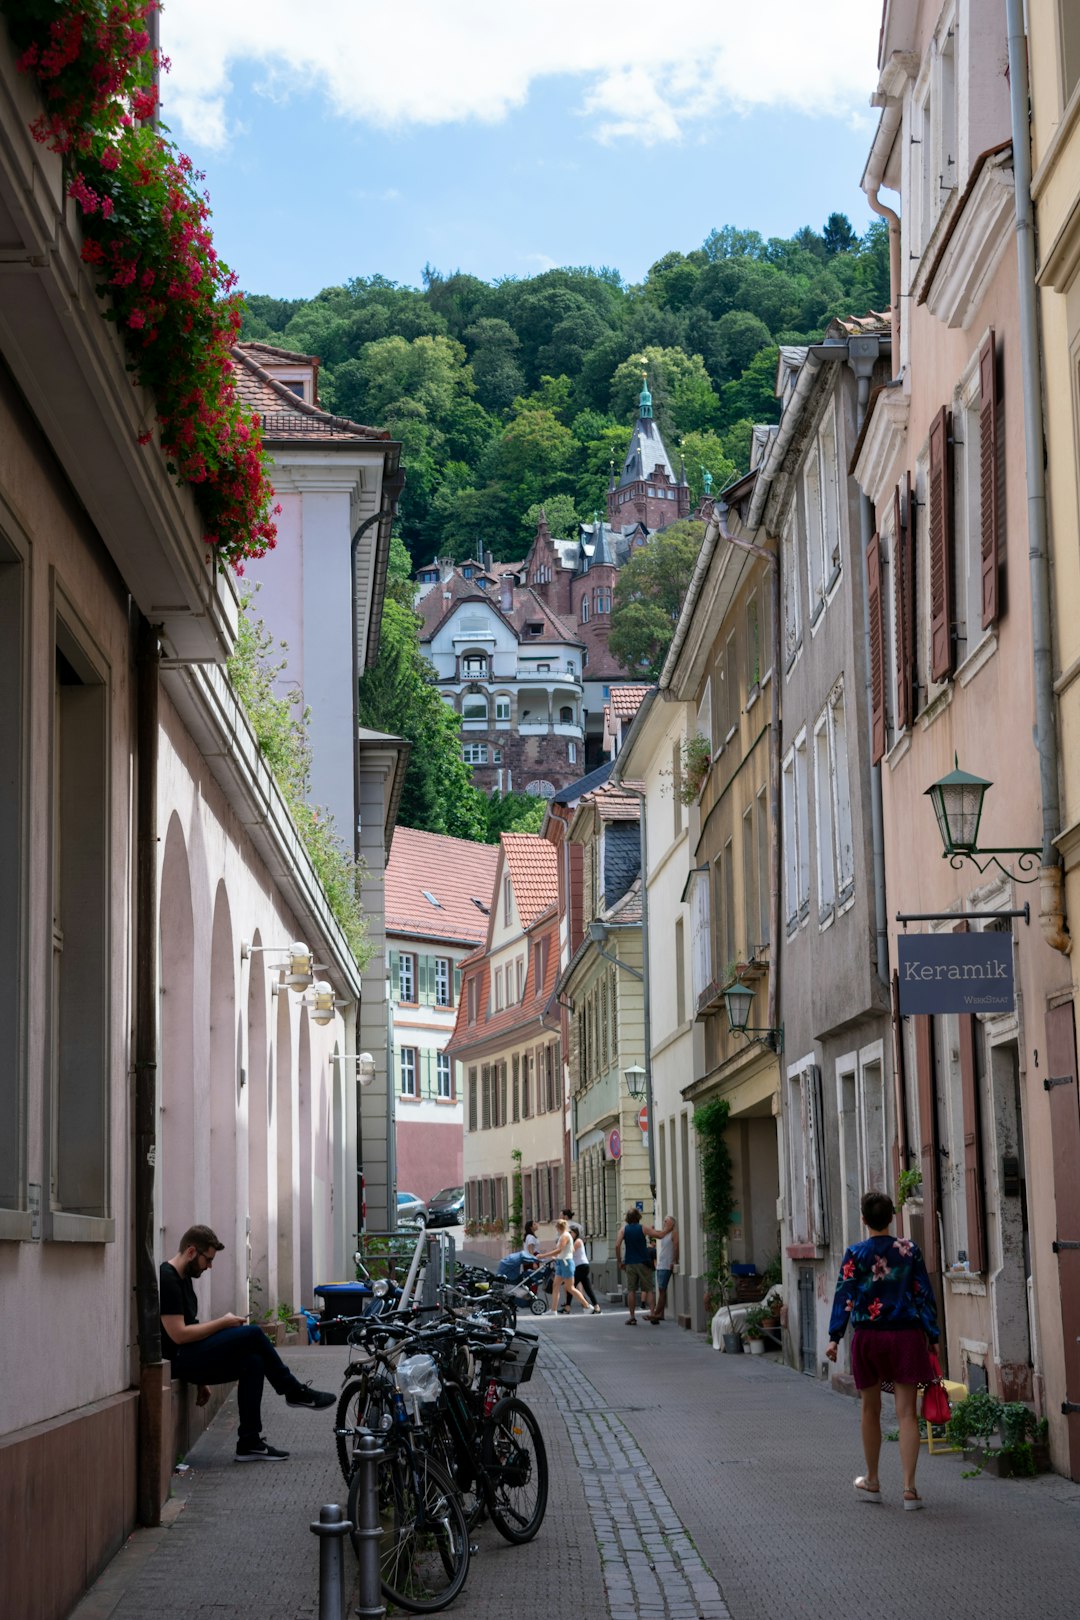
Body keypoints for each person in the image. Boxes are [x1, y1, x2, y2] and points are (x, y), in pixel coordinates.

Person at [160, 1224, 336, 1462]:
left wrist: (202, 1380)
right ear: (192, 1252)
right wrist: (223, 1323)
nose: (210, 1266)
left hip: (192, 1357)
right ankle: (294, 1391)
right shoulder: (168, 1278)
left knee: (253, 1362)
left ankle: (249, 1442)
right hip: (180, 1359)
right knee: (253, 1334)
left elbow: (193, 1330)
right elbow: (179, 1335)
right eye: (208, 1260)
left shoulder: (184, 1279)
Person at [825, 1190, 939, 1510]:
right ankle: (909, 1489)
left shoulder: (854, 1254)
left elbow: (844, 1296)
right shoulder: (909, 1250)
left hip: (869, 1338)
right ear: (892, 1217)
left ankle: (873, 1480)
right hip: (905, 1336)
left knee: (869, 1410)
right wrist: (934, 1336)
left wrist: (834, 1337)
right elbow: (923, 1295)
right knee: (907, 1414)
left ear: (864, 1219)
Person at [539, 1217, 598, 1315]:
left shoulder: (565, 1236)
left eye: (556, 1227)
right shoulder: (564, 1235)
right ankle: (553, 1310)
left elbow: (560, 1250)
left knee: (570, 1287)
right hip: (562, 1262)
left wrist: (543, 1255)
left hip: (566, 1263)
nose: (556, 1229)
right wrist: (558, 1258)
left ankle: (587, 1306)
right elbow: (565, 1251)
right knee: (556, 1285)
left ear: (559, 1227)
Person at [615, 1207, 654, 1325]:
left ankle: (632, 1317)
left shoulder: (623, 1230)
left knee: (631, 1290)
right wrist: (666, 1231)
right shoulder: (643, 1228)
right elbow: (658, 1235)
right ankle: (652, 1314)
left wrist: (619, 1261)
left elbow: (617, 1245)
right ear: (638, 1217)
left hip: (630, 1263)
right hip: (643, 1261)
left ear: (627, 1218)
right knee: (649, 1289)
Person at [643, 1214, 678, 1324]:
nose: (664, 1222)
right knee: (661, 1290)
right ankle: (659, 1315)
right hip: (660, 1264)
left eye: (666, 1221)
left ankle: (655, 1314)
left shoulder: (674, 1233)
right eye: (664, 1220)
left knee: (662, 1290)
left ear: (672, 1223)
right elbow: (657, 1234)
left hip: (666, 1265)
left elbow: (676, 1247)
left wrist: (674, 1261)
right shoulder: (664, 1233)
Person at [570, 1223, 601, 1313]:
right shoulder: (573, 1241)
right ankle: (596, 1306)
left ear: (575, 1233)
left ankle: (584, 1305)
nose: (569, 1234)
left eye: (570, 1232)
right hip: (580, 1266)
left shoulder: (578, 1241)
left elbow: (570, 1252)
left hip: (582, 1266)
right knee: (587, 1288)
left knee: (570, 1286)